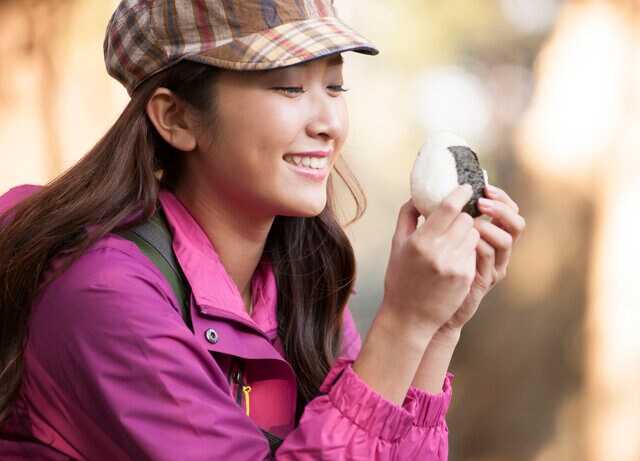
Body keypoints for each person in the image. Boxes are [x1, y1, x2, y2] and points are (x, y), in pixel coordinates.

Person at [0, 0, 525, 459]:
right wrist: (403, 323)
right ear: (176, 118)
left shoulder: (302, 283)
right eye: (289, 87)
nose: (329, 124)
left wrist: (439, 329)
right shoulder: (103, 293)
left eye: (335, 87)